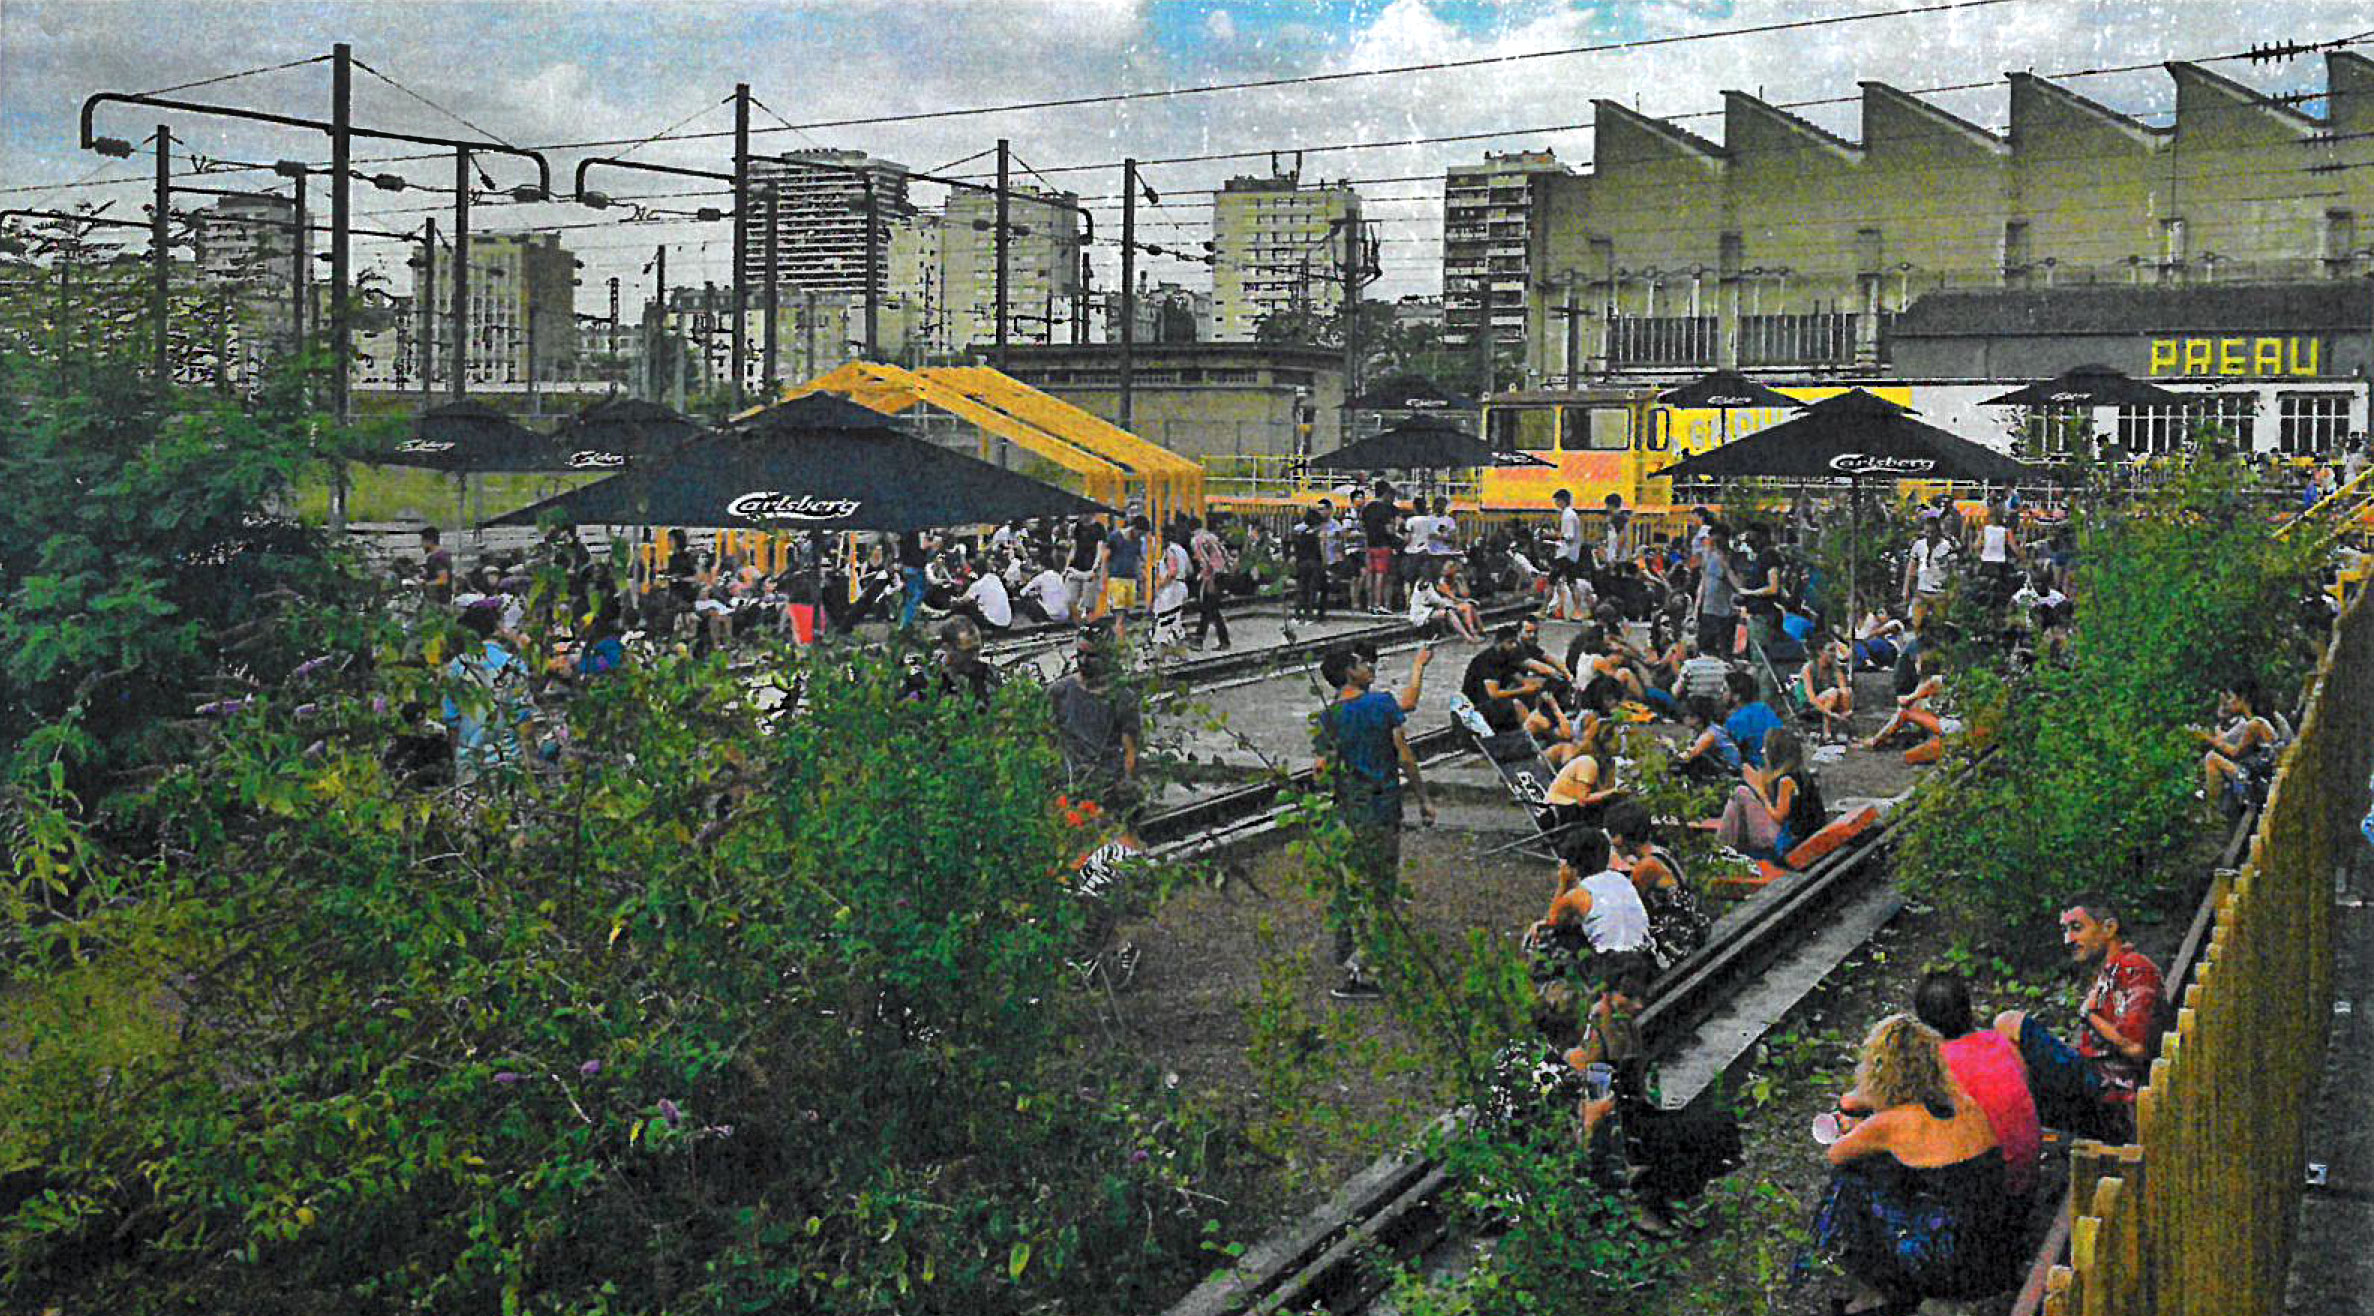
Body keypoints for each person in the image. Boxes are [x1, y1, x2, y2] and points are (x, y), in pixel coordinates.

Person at [1807, 1015, 2021, 1313]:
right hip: (1991, 1246)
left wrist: (1854, 1107)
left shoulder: (1889, 1124)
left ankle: (1873, 1281)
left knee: (1851, 1179)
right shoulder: (1962, 1101)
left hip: (1950, 1265)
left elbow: (1836, 1153)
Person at [1314, 647, 1436, 999]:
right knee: (1380, 889)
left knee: (1351, 886)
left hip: (1349, 812)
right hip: (1383, 809)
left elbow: (1321, 771)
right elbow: (1405, 756)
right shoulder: (1381, 704)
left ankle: (1350, 954)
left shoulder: (1329, 716)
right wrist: (1423, 798)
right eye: (1363, 664)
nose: (1370, 668)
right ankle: (1369, 969)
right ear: (1349, 671)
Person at [1992, 896, 2163, 1142]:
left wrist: (2090, 1015)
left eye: (2076, 928)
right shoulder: (2109, 971)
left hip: (2112, 1097)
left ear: (2109, 928)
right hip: (2097, 1084)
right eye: (2065, 930)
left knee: (2009, 1024)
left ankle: (2016, 1136)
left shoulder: (2134, 969)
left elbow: (2136, 1048)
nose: (2068, 939)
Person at [1913, 971, 2041, 1201]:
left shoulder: (1935, 1065)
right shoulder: (1998, 1041)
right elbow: (2026, 1083)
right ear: (1969, 1009)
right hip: (2027, 1173)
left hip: (1991, 1191)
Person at [1524, 825, 1653, 990]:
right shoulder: (1621, 879)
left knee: (1549, 936)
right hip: (1643, 955)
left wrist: (1563, 882)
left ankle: (1550, 986)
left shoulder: (1578, 895)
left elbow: (1552, 921)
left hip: (1613, 964)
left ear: (1572, 864)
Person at [1606, 802, 1709, 972]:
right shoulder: (1659, 852)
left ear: (1619, 838)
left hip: (1679, 945)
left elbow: (1627, 908)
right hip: (1692, 931)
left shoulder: (1646, 867)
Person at [1049, 636, 1143, 819]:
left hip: (1106, 783)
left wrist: (1124, 783)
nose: (1083, 661)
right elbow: (1046, 738)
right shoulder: (1060, 692)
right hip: (1070, 781)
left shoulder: (1122, 698)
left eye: (1091, 656)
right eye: (1080, 654)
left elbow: (1129, 750)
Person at [1714, 724, 1824, 864]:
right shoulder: (1799, 774)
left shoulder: (1786, 781)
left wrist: (1760, 790)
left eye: (1765, 748)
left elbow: (1778, 817)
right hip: (1796, 835)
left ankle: (1720, 849)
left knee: (1741, 793)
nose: (1762, 751)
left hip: (1785, 841)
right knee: (1741, 797)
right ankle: (1724, 848)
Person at [2197, 678, 2282, 813]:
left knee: (2211, 758)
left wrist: (2205, 737)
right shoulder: (2255, 720)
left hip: (2264, 774)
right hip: (2263, 768)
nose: (2229, 703)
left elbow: (2235, 751)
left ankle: (2213, 809)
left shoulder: (2254, 724)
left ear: (2242, 699)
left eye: (2231, 698)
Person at [1693, 522, 1743, 657]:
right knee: (1705, 648)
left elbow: (1739, 585)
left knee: (1725, 649)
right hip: (1709, 609)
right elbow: (1704, 581)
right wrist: (1698, 606)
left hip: (1727, 611)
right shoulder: (1708, 557)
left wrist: (1725, 565)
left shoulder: (1734, 558)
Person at [1186, 515, 1234, 649]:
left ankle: (1213, 640)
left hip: (1212, 575)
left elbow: (1205, 562)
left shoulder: (1196, 540)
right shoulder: (1212, 537)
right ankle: (1201, 638)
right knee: (1209, 608)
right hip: (1222, 574)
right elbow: (1225, 555)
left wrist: (1208, 579)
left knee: (1210, 608)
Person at [1902, 514, 1958, 629]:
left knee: (1938, 627)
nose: (1929, 536)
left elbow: (1954, 571)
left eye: (1932, 532)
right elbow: (1911, 567)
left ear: (1939, 532)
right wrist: (1906, 588)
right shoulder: (1919, 545)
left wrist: (1953, 592)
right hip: (1921, 592)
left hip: (1939, 593)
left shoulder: (1947, 547)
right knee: (1917, 625)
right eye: (1927, 532)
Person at [1722, 670, 1784, 771]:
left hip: (1758, 767)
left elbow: (1731, 753)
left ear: (1736, 696)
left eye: (1725, 690)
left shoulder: (1735, 721)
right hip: (1779, 762)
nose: (1722, 693)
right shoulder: (1763, 707)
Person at [1675, 695, 1744, 784]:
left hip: (1731, 771)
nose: (1685, 719)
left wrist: (1673, 753)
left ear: (1698, 717)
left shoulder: (1710, 734)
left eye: (1687, 715)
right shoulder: (1703, 730)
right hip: (1723, 766)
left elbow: (1690, 754)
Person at [1797, 640, 1855, 744]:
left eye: (1834, 650)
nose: (1834, 654)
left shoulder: (1834, 667)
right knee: (1832, 692)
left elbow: (1843, 688)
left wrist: (1846, 711)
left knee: (1847, 692)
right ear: (1820, 652)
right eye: (1830, 650)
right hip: (1808, 702)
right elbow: (1811, 698)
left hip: (1827, 699)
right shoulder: (1808, 668)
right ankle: (1827, 733)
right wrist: (1831, 713)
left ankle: (1844, 729)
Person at [1360, 480, 1403, 615]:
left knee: (1370, 575)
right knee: (1381, 575)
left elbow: (1363, 527)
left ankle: (1370, 604)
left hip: (1370, 545)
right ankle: (1379, 604)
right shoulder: (1386, 509)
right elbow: (1389, 530)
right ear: (1385, 493)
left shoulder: (1367, 508)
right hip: (1383, 545)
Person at [1549, 488, 1588, 621]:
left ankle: (1543, 609)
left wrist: (1553, 535)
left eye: (1557, 501)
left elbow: (1569, 536)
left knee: (1551, 581)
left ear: (1562, 501)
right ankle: (1577, 611)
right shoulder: (1570, 514)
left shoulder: (1568, 515)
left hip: (1565, 554)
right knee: (1572, 583)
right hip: (1571, 554)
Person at [1104, 515, 1149, 617]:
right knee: (1119, 610)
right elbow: (1105, 556)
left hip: (1131, 578)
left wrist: (1142, 573)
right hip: (1116, 577)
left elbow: (1139, 558)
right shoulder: (1115, 537)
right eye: (1140, 533)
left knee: (1127, 610)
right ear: (1134, 528)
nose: (1140, 536)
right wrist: (1104, 575)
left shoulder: (1138, 541)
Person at [952, 559, 1014, 633]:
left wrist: (954, 600)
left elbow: (963, 600)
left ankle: (967, 631)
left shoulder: (977, 585)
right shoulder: (995, 578)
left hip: (995, 624)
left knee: (963, 606)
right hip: (1007, 622)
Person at [1289, 505, 1329, 620]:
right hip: (1315, 563)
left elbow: (1294, 550)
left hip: (1302, 563)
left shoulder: (1300, 534)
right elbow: (1322, 550)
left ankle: (1298, 612)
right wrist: (1325, 564)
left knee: (1302, 588)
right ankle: (1312, 613)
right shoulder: (1319, 534)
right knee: (1314, 588)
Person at [1016, 554, 1072, 626]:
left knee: (1031, 600)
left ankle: (1039, 622)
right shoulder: (1058, 576)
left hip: (1052, 615)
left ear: (1042, 566)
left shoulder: (1040, 577)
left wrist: (1032, 593)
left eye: (1038, 565)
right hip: (1064, 614)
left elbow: (1022, 592)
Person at [420, 526, 455, 606]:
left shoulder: (439, 558)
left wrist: (425, 584)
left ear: (430, 541)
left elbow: (443, 579)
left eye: (423, 541)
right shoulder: (435, 557)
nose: (421, 545)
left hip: (440, 600)